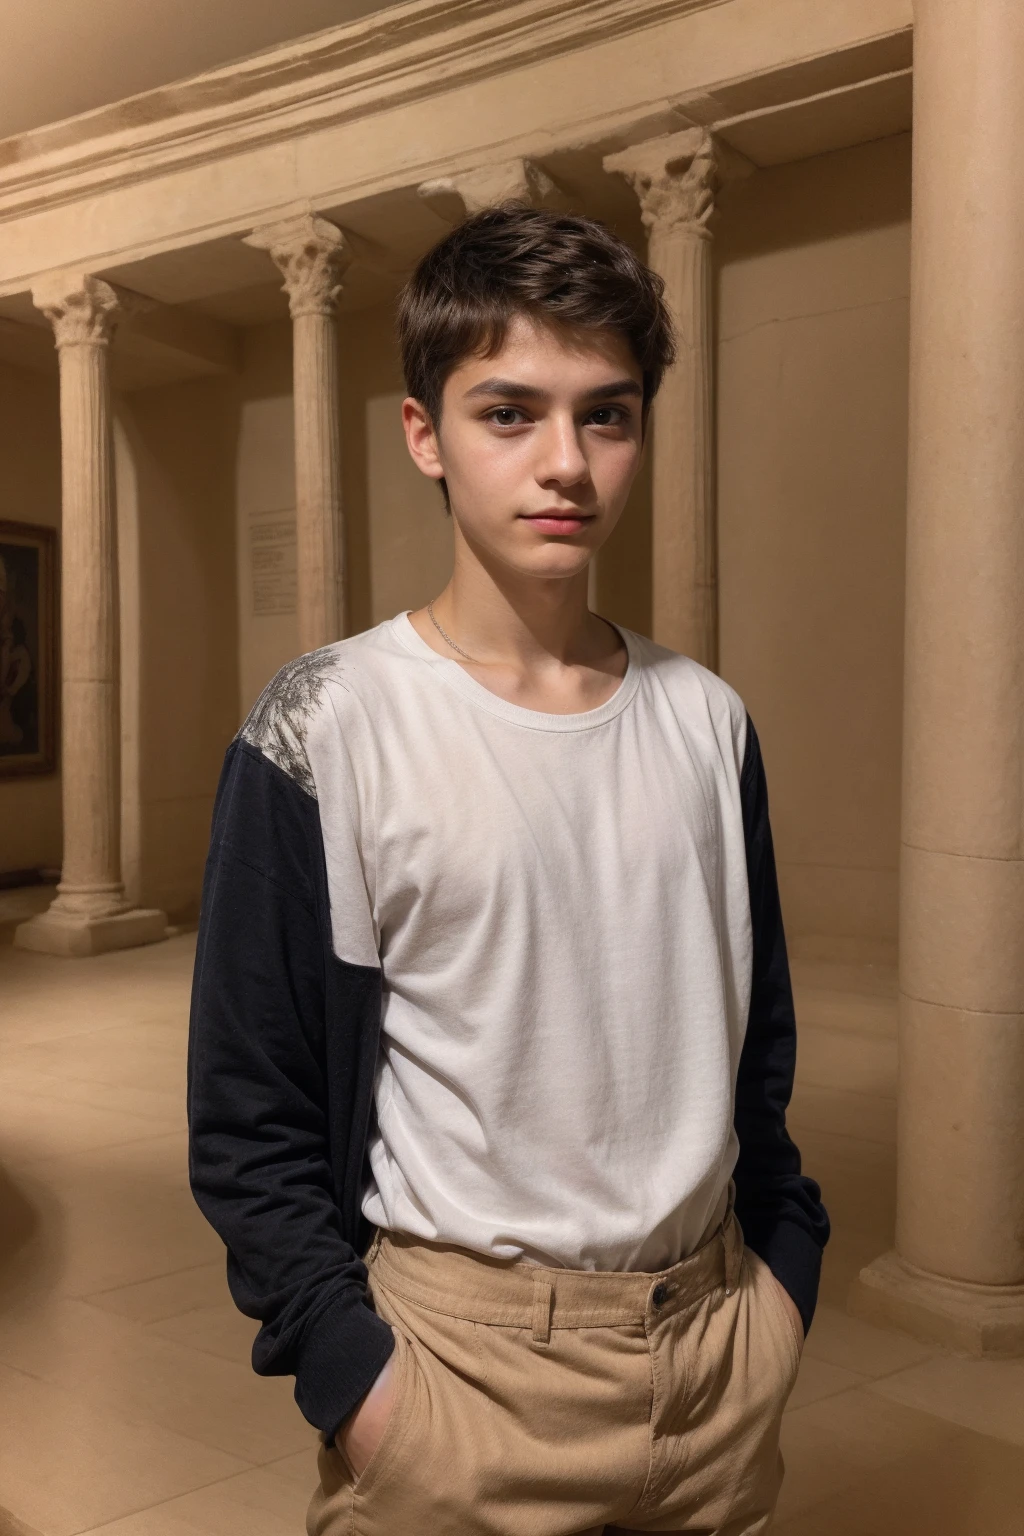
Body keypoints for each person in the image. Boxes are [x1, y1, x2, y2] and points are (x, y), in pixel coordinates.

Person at [187, 201, 829, 1536]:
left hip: (714, 1356)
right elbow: (250, 1117)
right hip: (456, 1384)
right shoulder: (326, 723)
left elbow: (753, 1050)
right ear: (423, 431)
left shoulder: (709, 717)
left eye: (607, 413)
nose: (567, 464)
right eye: (508, 412)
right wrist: (362, 1384)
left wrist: (780, 1290)